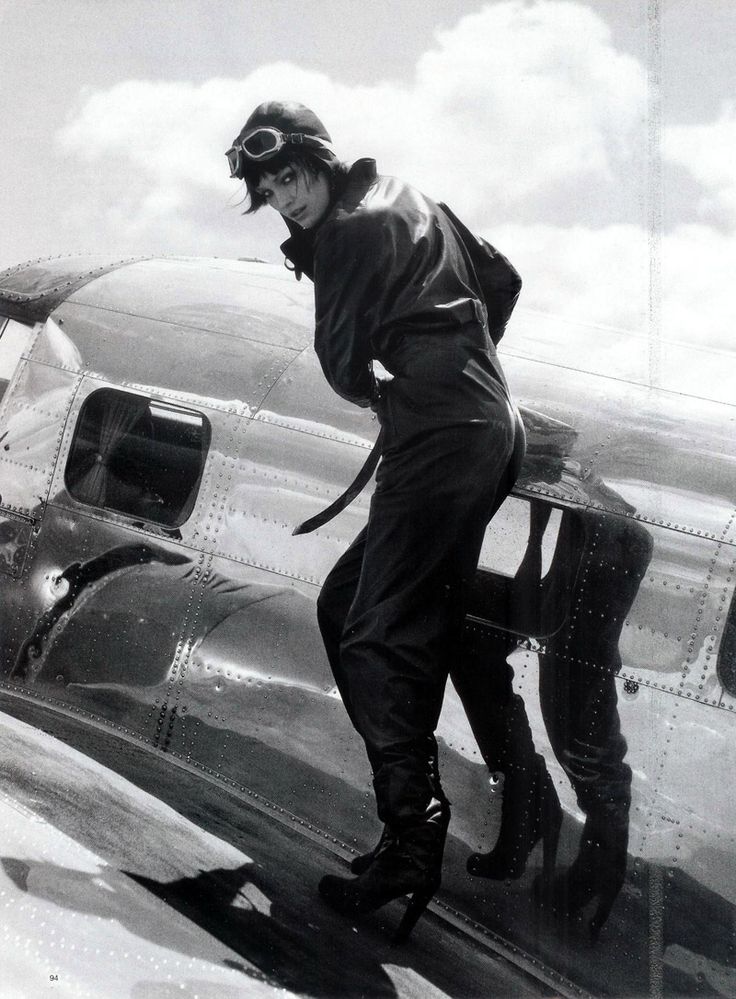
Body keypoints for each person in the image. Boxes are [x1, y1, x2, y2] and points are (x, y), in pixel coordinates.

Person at [226, 101, 527, 941]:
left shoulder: (347, 237)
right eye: (270, 188)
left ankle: (411, 839)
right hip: (488, 419)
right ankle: (437, 823)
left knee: (370, 632)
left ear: (321, 161)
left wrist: (403, 385)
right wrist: (456, 362)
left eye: (291, 177)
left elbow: (338, 363)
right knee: (356, 606)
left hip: (439, 427)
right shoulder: (411, 195)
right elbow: (502, 282)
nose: (285, 199)